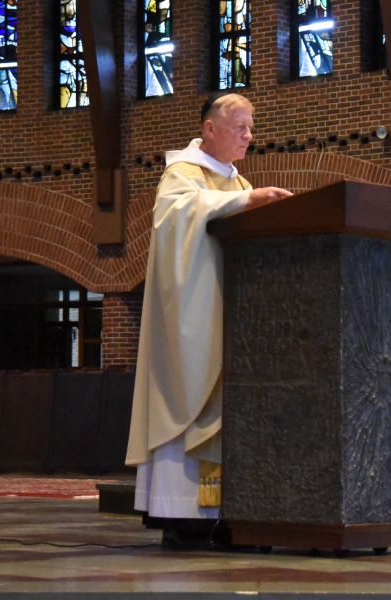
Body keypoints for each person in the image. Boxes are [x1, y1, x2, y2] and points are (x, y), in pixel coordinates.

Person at [125, 93, 292, 549]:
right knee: (191, 397)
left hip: (233, 325)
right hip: (196, 322)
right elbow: (176, 218)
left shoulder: (239, 183)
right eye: (240, 127)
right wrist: (241, 205)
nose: (248, 136)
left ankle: (229, 513)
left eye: (251, 126)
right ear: (210, 129)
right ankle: (182, 515)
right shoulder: (182, 175)